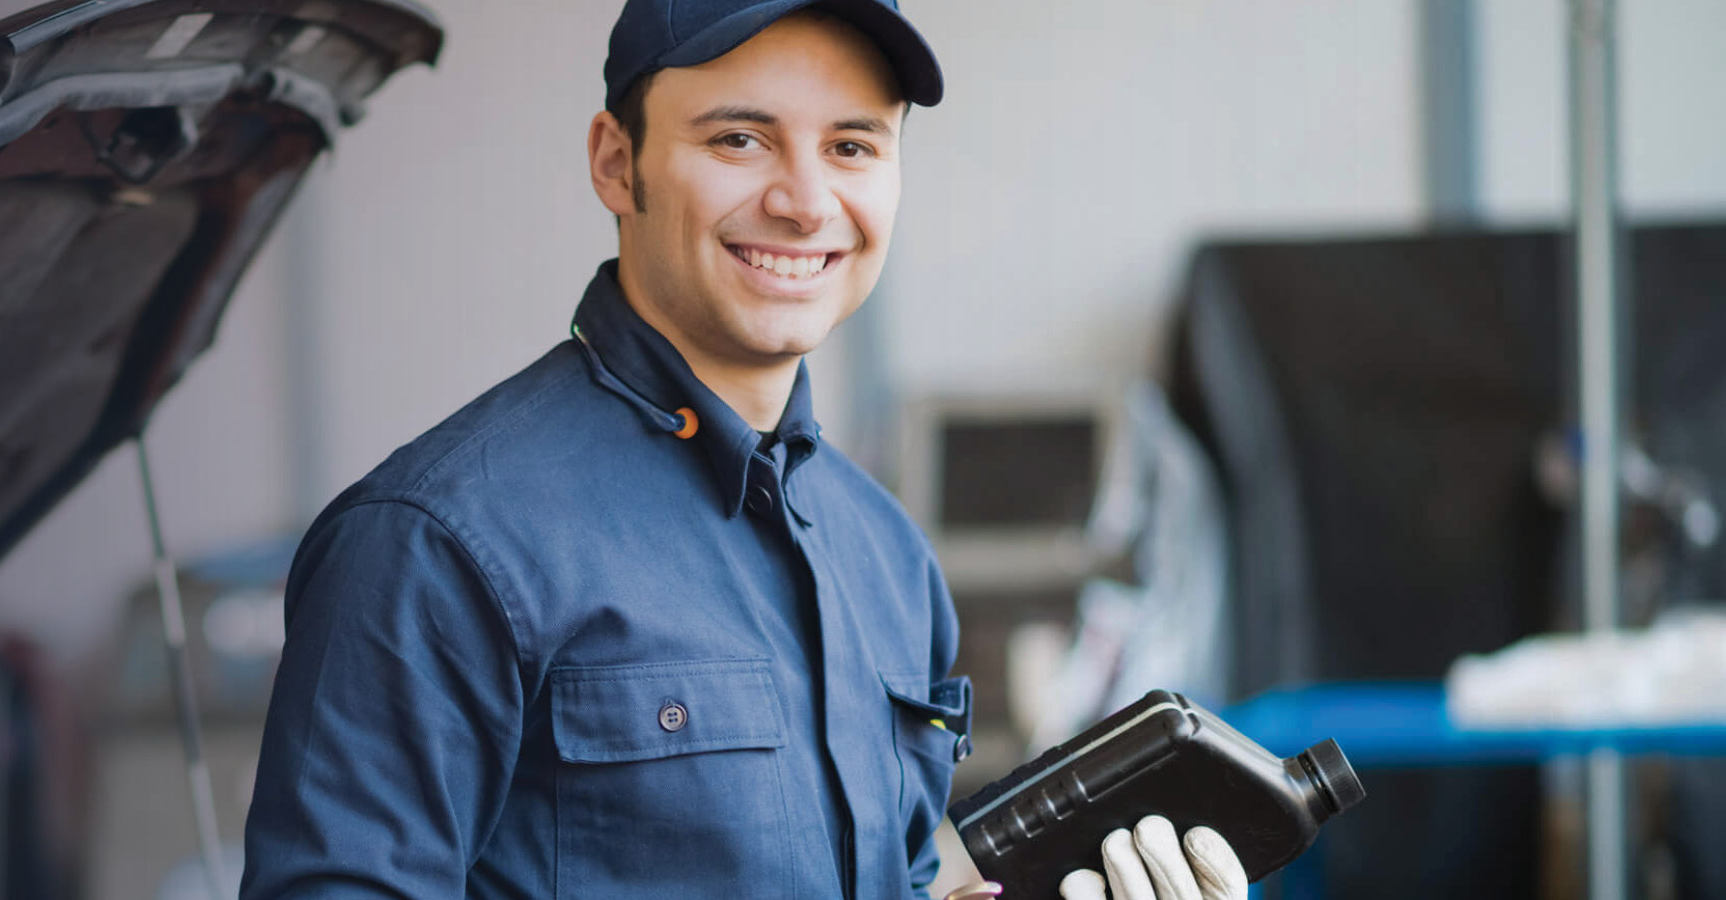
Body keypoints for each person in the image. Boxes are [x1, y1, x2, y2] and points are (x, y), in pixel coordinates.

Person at [240, 2, 1247, 897]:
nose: (806, 201)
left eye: (853, 147)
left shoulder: (886, 555)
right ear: (615, 160)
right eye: (739, 140)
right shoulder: (436, 545)